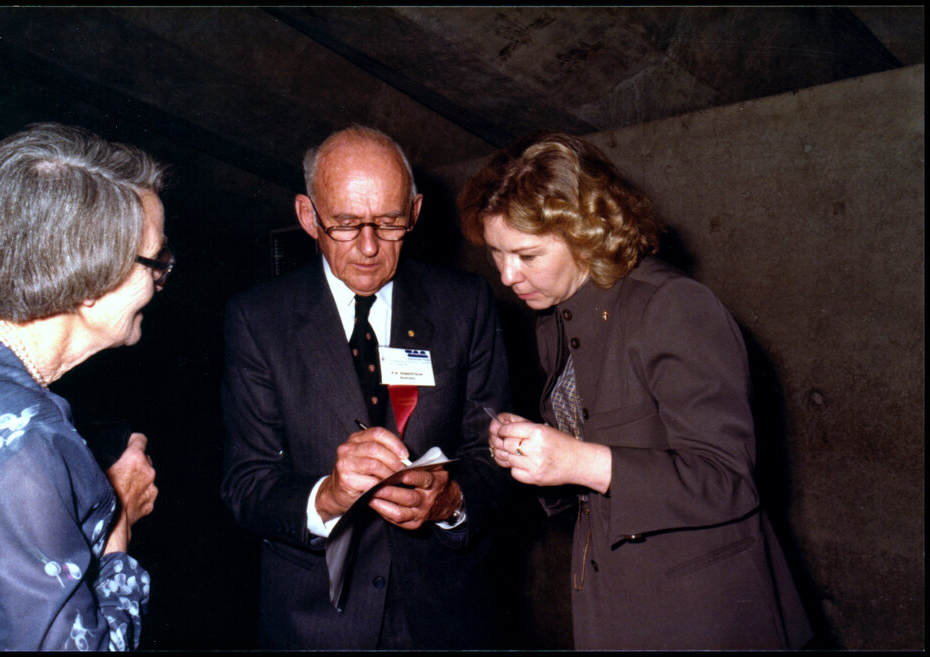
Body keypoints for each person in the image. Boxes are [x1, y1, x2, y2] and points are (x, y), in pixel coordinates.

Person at [458, 132, 812, 650]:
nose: (508, 275)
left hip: (703, 616)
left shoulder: (671, 306)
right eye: (496, 253)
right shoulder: (556, 317)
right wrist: (534, 452)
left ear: (585, 233)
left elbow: (729, 478)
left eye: (526, 254)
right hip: (613, 602)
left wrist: (577, 461)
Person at [220, 125, 512, 649]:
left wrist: (452, 502)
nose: (370, 247)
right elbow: (246, 485)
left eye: (391, 223)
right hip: (314, 624)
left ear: (416, 213)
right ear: (309, 217)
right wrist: (326, 497)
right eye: (347, 225)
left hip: (445, 618)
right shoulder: (258, 320)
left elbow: (495, 458)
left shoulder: (465, 304)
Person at [0, 123, 170, 651]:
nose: (160, 281)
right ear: (89, 279)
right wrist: (116, 530)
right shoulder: (27, 441)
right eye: (156, 261)